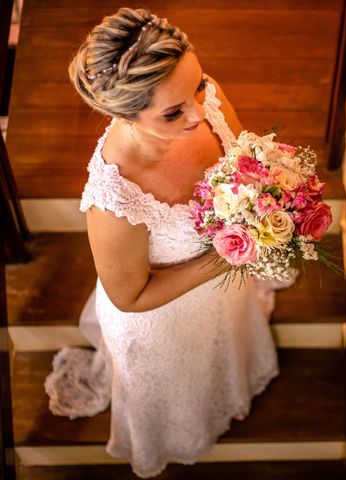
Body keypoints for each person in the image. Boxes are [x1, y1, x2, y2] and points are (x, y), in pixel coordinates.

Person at [44, 7, 284, 478]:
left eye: (196, 85)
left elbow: (241, 160)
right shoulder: (116, 198)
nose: (202, 109)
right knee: (184, 383)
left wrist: (271, 199)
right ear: (125, 115)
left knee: (223, 345)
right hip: (162, 319)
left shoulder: (204, 101)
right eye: (174, 112)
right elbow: (130, 296)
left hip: (223, 289)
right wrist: (232, 253)